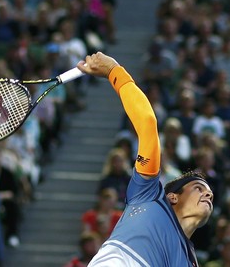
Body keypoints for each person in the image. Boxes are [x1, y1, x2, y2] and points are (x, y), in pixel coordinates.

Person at [77, 52, 214, 266]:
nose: (208, 193)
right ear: (172, 197)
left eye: (210, 194)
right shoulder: (149, 195)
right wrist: (114, 70)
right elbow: (147, 123)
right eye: (198, 188)